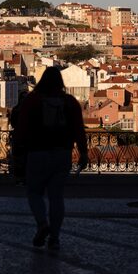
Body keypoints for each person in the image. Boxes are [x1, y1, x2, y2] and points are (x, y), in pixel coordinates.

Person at [15, 66, 89, 250]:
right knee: (56, 197)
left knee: (34, 192)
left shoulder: (32, 100)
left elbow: (21, 128)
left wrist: (18, 152)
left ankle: (42, 223)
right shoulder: (70, 102)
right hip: (62, 153)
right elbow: (79, 130)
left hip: (37, 152)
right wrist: (83, 152)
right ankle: (54, 238)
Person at [8, 90, 29, 185]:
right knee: (20, 158)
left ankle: (21, 178)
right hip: (22, 136)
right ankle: (21, 178)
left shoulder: (16, 109)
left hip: (21, 136)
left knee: (21, 158)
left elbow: (13, 123)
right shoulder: (27, 110)